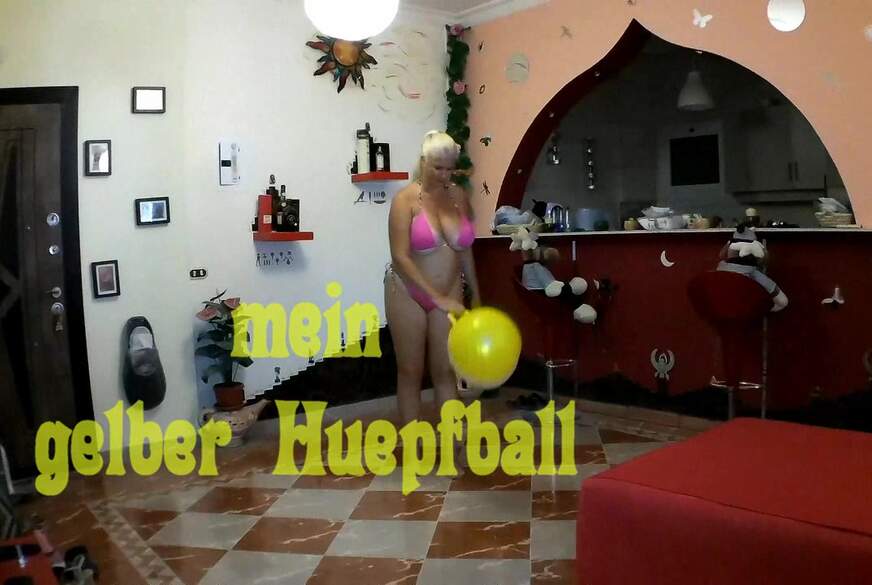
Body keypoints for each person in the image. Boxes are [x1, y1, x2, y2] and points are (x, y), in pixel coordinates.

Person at [384, 130, 481, 425]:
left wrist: (476, 294)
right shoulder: (405, 200)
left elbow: (465, 249)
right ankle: (412, 441)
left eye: (450, 169)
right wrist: (435, 297)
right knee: (410, 372)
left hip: (449, 291)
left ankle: (451, 439)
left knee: (445, 371)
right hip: (408, 292)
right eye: (438, 168)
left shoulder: (458, 196)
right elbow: (400, 257)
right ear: (423, 162)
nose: (444, 175)